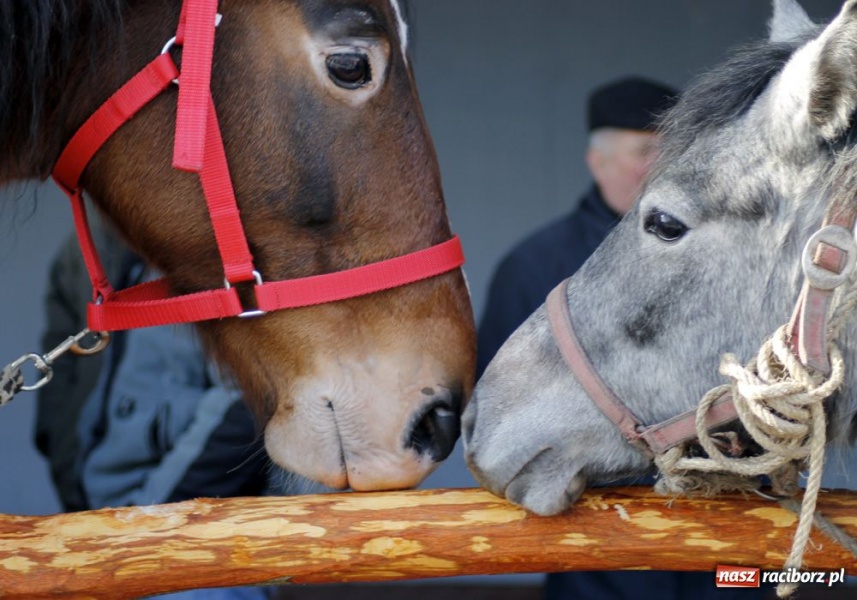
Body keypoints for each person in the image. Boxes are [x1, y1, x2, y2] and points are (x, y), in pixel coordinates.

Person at [477, 77, 770, 599]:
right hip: (601, 563)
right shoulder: (535, 263)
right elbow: (505, 406)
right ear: (599, 160)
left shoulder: (728, 254)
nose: (661, 165)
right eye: (645, 150)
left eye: (669, 151)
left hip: (733, 547)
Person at [35, 219, 274, 599]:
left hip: (196, 539)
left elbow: (247, 399)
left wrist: (152, 514)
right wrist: (68, 465)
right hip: (85, 522)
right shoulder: (85, 244)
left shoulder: (228, 246)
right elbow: (58, 361)